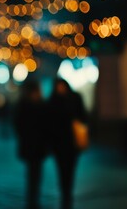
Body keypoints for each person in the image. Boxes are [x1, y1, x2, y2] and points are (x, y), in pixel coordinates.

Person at [47, 78, 87, 209]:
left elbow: (83, 116)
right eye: (58, 86)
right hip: (58, 142)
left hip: (72, 141)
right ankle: (64, 191)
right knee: (61, 168)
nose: (60, 89)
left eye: (62, 86)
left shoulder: (74, 98)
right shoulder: (53, 101)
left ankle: (67, 191)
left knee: (70, 167)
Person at [13, 79, 49, 209]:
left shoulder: (32, 104)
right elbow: (18, 124)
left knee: (36, 169)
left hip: (37, 143)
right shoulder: (30, 105)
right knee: (32, 169)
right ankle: (32, 194)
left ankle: (34, 193)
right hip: (31, 142)